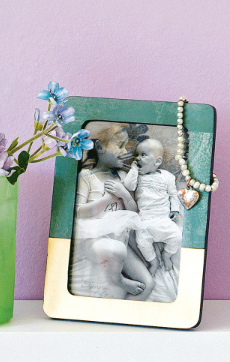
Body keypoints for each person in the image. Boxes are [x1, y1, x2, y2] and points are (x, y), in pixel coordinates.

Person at [68, 123, 156, 300]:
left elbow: (133, 214)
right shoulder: (87, 176)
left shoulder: (122, 177)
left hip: (120, 239)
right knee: (116, 249)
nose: (125, 152)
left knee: (148, 284)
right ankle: (118, 279)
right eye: (120, 145)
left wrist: (125, 195)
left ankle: (124, 312)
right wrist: (108, 199)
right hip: (93, 240)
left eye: (126, 147)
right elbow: (78, 211)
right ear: (100, 147)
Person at [122, 138, 183, 277]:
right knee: (142, 243)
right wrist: (133, 170)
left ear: (157, 161)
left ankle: (166, 255)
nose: (137, 158)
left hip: (163, 220)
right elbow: (128, 186)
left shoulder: (167, 177)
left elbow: (173, 194)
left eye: (143, 155)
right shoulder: (137, 177)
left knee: (177, 237)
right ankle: (154, 262)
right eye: (136, 155)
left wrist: (175, 209)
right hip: (145, 221)